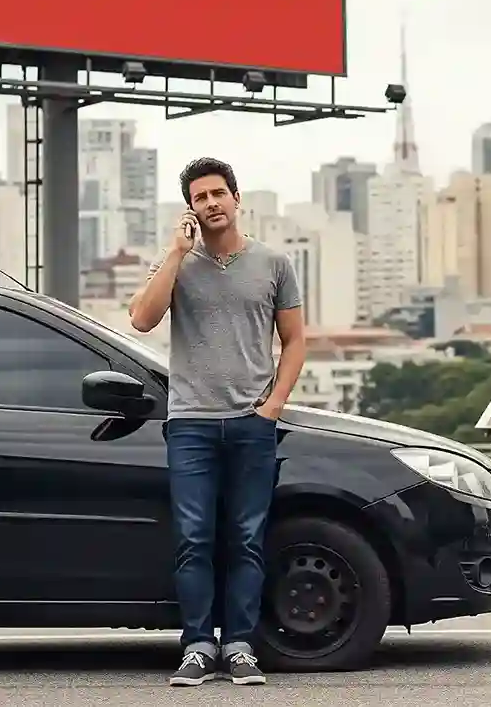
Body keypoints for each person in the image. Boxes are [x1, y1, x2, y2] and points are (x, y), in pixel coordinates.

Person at [129, 157, 306, 687]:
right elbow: (140, 318)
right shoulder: (178, 263)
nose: (211, 203)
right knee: (193, 538)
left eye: (218, 194)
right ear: (191, 207)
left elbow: (295, 341)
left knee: (247, 537)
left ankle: (241, 646)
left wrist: (272, 406)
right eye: (200, 197)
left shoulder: (274, 263)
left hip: (252, 423)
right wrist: (176, 252)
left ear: (236, 197)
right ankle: (198, 645)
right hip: (191, 425)